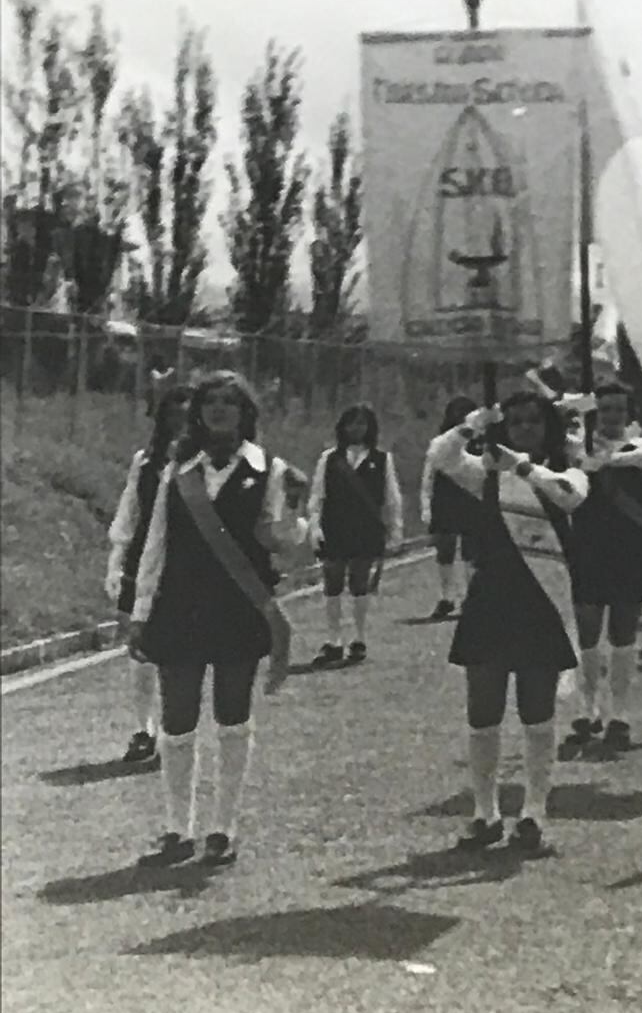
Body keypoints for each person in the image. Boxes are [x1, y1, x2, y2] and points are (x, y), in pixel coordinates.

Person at [129, 371, 305, 868]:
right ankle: (175, 828)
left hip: (237, 607)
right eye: (211, 401)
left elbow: (284, 542)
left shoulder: (270, 469)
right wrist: (141, 612)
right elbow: (156, 544)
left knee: (232, 717)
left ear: (245, 411)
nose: (220, 410)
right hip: (180, 606)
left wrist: (294, 505)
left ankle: (223, 829)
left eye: (231, 401)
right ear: (198, 412)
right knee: (177, 720)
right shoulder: (179, 471)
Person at [427, 392, 589, 853]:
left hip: (541, 601)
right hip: (492, 599)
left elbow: (569, 495)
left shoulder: (568, 469)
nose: (523, 428)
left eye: (533, 421)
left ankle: (534, 812)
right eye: (514, 422)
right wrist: (472, 425)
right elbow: (441, 457)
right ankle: (485, 812)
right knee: (483, 711)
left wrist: (519, 464)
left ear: (548, 427)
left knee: (537, 713)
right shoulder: (486, 475)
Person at [563, 382, 642, 752]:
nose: (611, 416)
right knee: (588, 634)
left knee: (623, 635)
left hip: (630, 548)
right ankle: (587, 709)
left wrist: (602, 459)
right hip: (589, 546)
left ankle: (619, 715)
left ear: (629, 415)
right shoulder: (575, 447)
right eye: (605, 409)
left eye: (618, 410)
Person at [105, 381, 193, 764]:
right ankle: (144, 730)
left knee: (179, 654)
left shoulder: (205, 463)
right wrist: (116, 559)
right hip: (143, 562)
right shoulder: (145, 461)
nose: (181, 422)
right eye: (173, 413)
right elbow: (130, 512)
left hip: (188, 565)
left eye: (188, 415)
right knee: (139, 650)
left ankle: (177, 731)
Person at [307, 403, 404, 667]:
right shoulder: (329, 458)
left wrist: (395, 530)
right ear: (343, 427)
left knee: (360, 583)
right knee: (332, 582)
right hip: (335, 527)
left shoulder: (382, 459)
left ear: (370, 427)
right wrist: (315, 528)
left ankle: (359, 638)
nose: (356, 428)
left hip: (366, 528)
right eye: (352, 423)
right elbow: (317, 496)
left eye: (362, 423)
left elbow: (392, 498)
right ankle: (333, 640)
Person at [420, 395, 480, 621]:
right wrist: (425, 505)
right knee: (444, 550)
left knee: (471, 550)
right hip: (445, 500)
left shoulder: (479, 442)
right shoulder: (441, 443)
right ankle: (447, 597)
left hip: (471, 500)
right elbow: (429, 475)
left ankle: (470, 595)